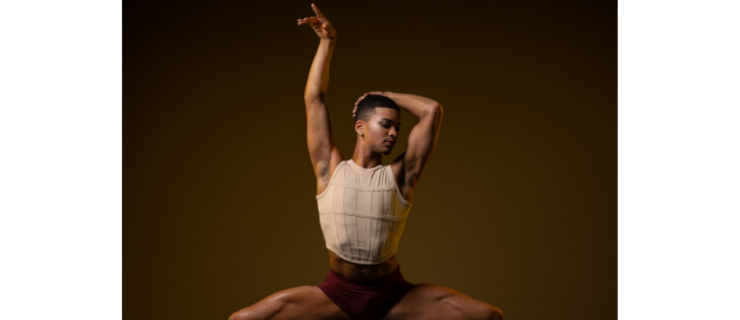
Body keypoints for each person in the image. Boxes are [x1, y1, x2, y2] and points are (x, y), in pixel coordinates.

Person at [229, 4, 503, 320]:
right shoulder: (328, 167)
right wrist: (327, 42)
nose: (393, 132)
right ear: (360, 127)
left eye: (398, 127)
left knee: (487, 316)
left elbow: (432, 110)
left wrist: (383, 94)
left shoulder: (402, 175)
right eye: (385, 124)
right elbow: (313, 98)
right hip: (337, 294)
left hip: (394, 294)